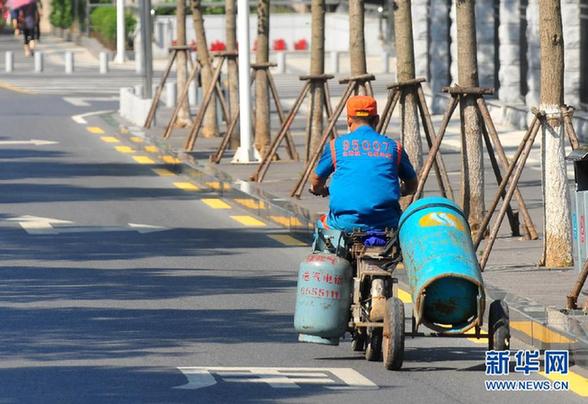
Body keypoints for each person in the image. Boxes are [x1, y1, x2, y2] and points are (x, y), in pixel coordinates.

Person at [309, 95, 418, 232]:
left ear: (349, 120)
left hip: (344, 223)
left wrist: (318, 189)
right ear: (377, 120)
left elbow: (317, 179)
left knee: (322, 229)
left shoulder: (336, 146)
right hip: (386, 223)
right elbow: (412, 184)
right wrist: (402, 190)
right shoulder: (393, 147)